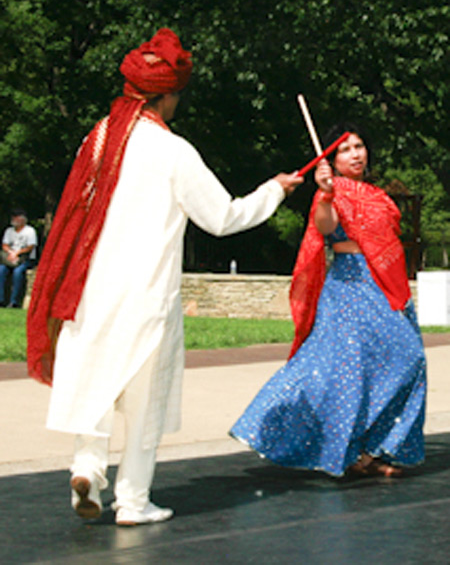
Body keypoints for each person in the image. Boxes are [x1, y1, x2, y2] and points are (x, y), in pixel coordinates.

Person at [26, 28, 303, 526]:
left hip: (89, 289)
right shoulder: (173, 151)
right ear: (165, 95)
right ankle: (133, 501)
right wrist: (276, 190)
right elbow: (223, 217)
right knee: (143, 400)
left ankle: (86, 468)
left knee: (95, 383)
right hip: (146, 295)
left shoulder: (100, 137)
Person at [230, 123, 426, 478]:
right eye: (346, 149)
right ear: (332, 159)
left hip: (384, 286)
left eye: (359, 146)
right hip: (349, 286)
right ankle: (341, 450)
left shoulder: (377, 195)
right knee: (346, 372)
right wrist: (323, 193)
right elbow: (324, 226)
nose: (356, 154)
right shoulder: (332, 192)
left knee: (409, 359)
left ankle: (378, 447)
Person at [0, 209, 38, 308]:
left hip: (26, 258)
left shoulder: (30, 231)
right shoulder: (9, 231)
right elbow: (4, 245)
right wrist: (11, 252)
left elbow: (30, 247)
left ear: (22, 219)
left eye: (16, 217)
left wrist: (17, 253)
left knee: (18, 272)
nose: (13, 219)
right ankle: (1, 299)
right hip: (11, 257)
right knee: (1, 270)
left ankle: (14, 301)